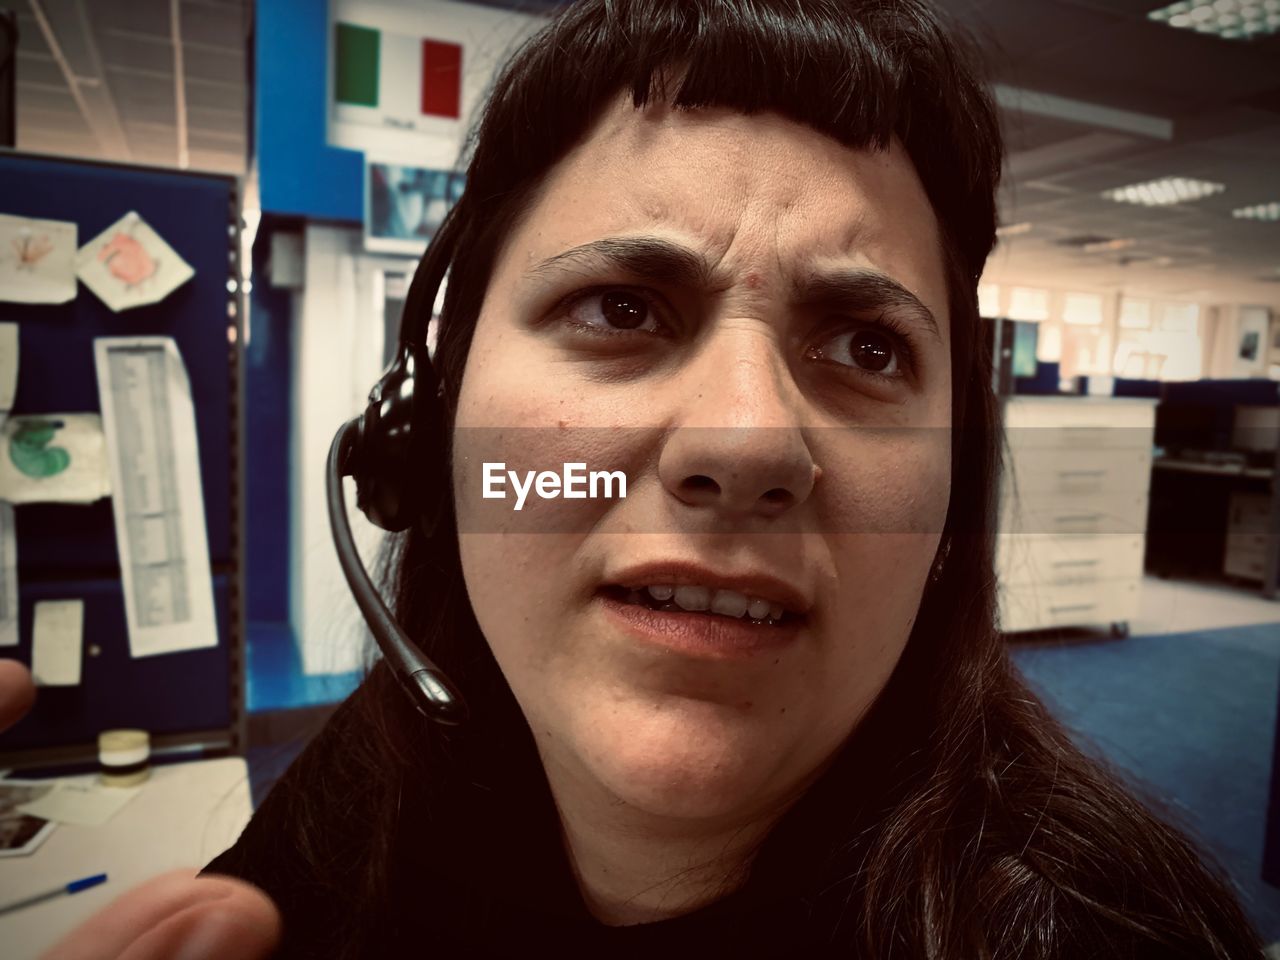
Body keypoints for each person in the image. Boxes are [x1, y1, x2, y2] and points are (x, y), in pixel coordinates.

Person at [25, 0, 1267, 956]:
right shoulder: (398, 761)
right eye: (620, 306)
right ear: (431, 435)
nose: (742, 443)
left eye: (867, 347)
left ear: (949, 503)